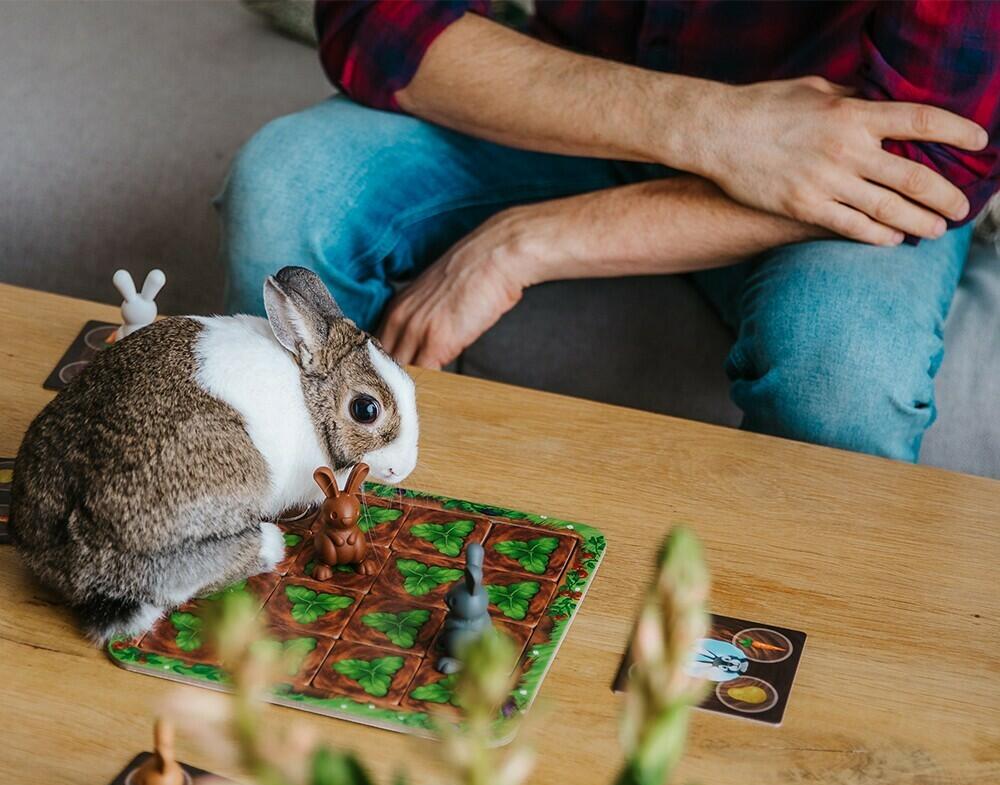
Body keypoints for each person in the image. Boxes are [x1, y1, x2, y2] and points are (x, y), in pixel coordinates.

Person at [220, 1, 1000, 462]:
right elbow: (377, 20)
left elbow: (927, 151)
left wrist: (527, 242)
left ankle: (795, 670)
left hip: (836, 158)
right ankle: (318, 547)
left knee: (844, 373)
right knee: (289, 184)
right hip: (587, 97)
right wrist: (713, 126)